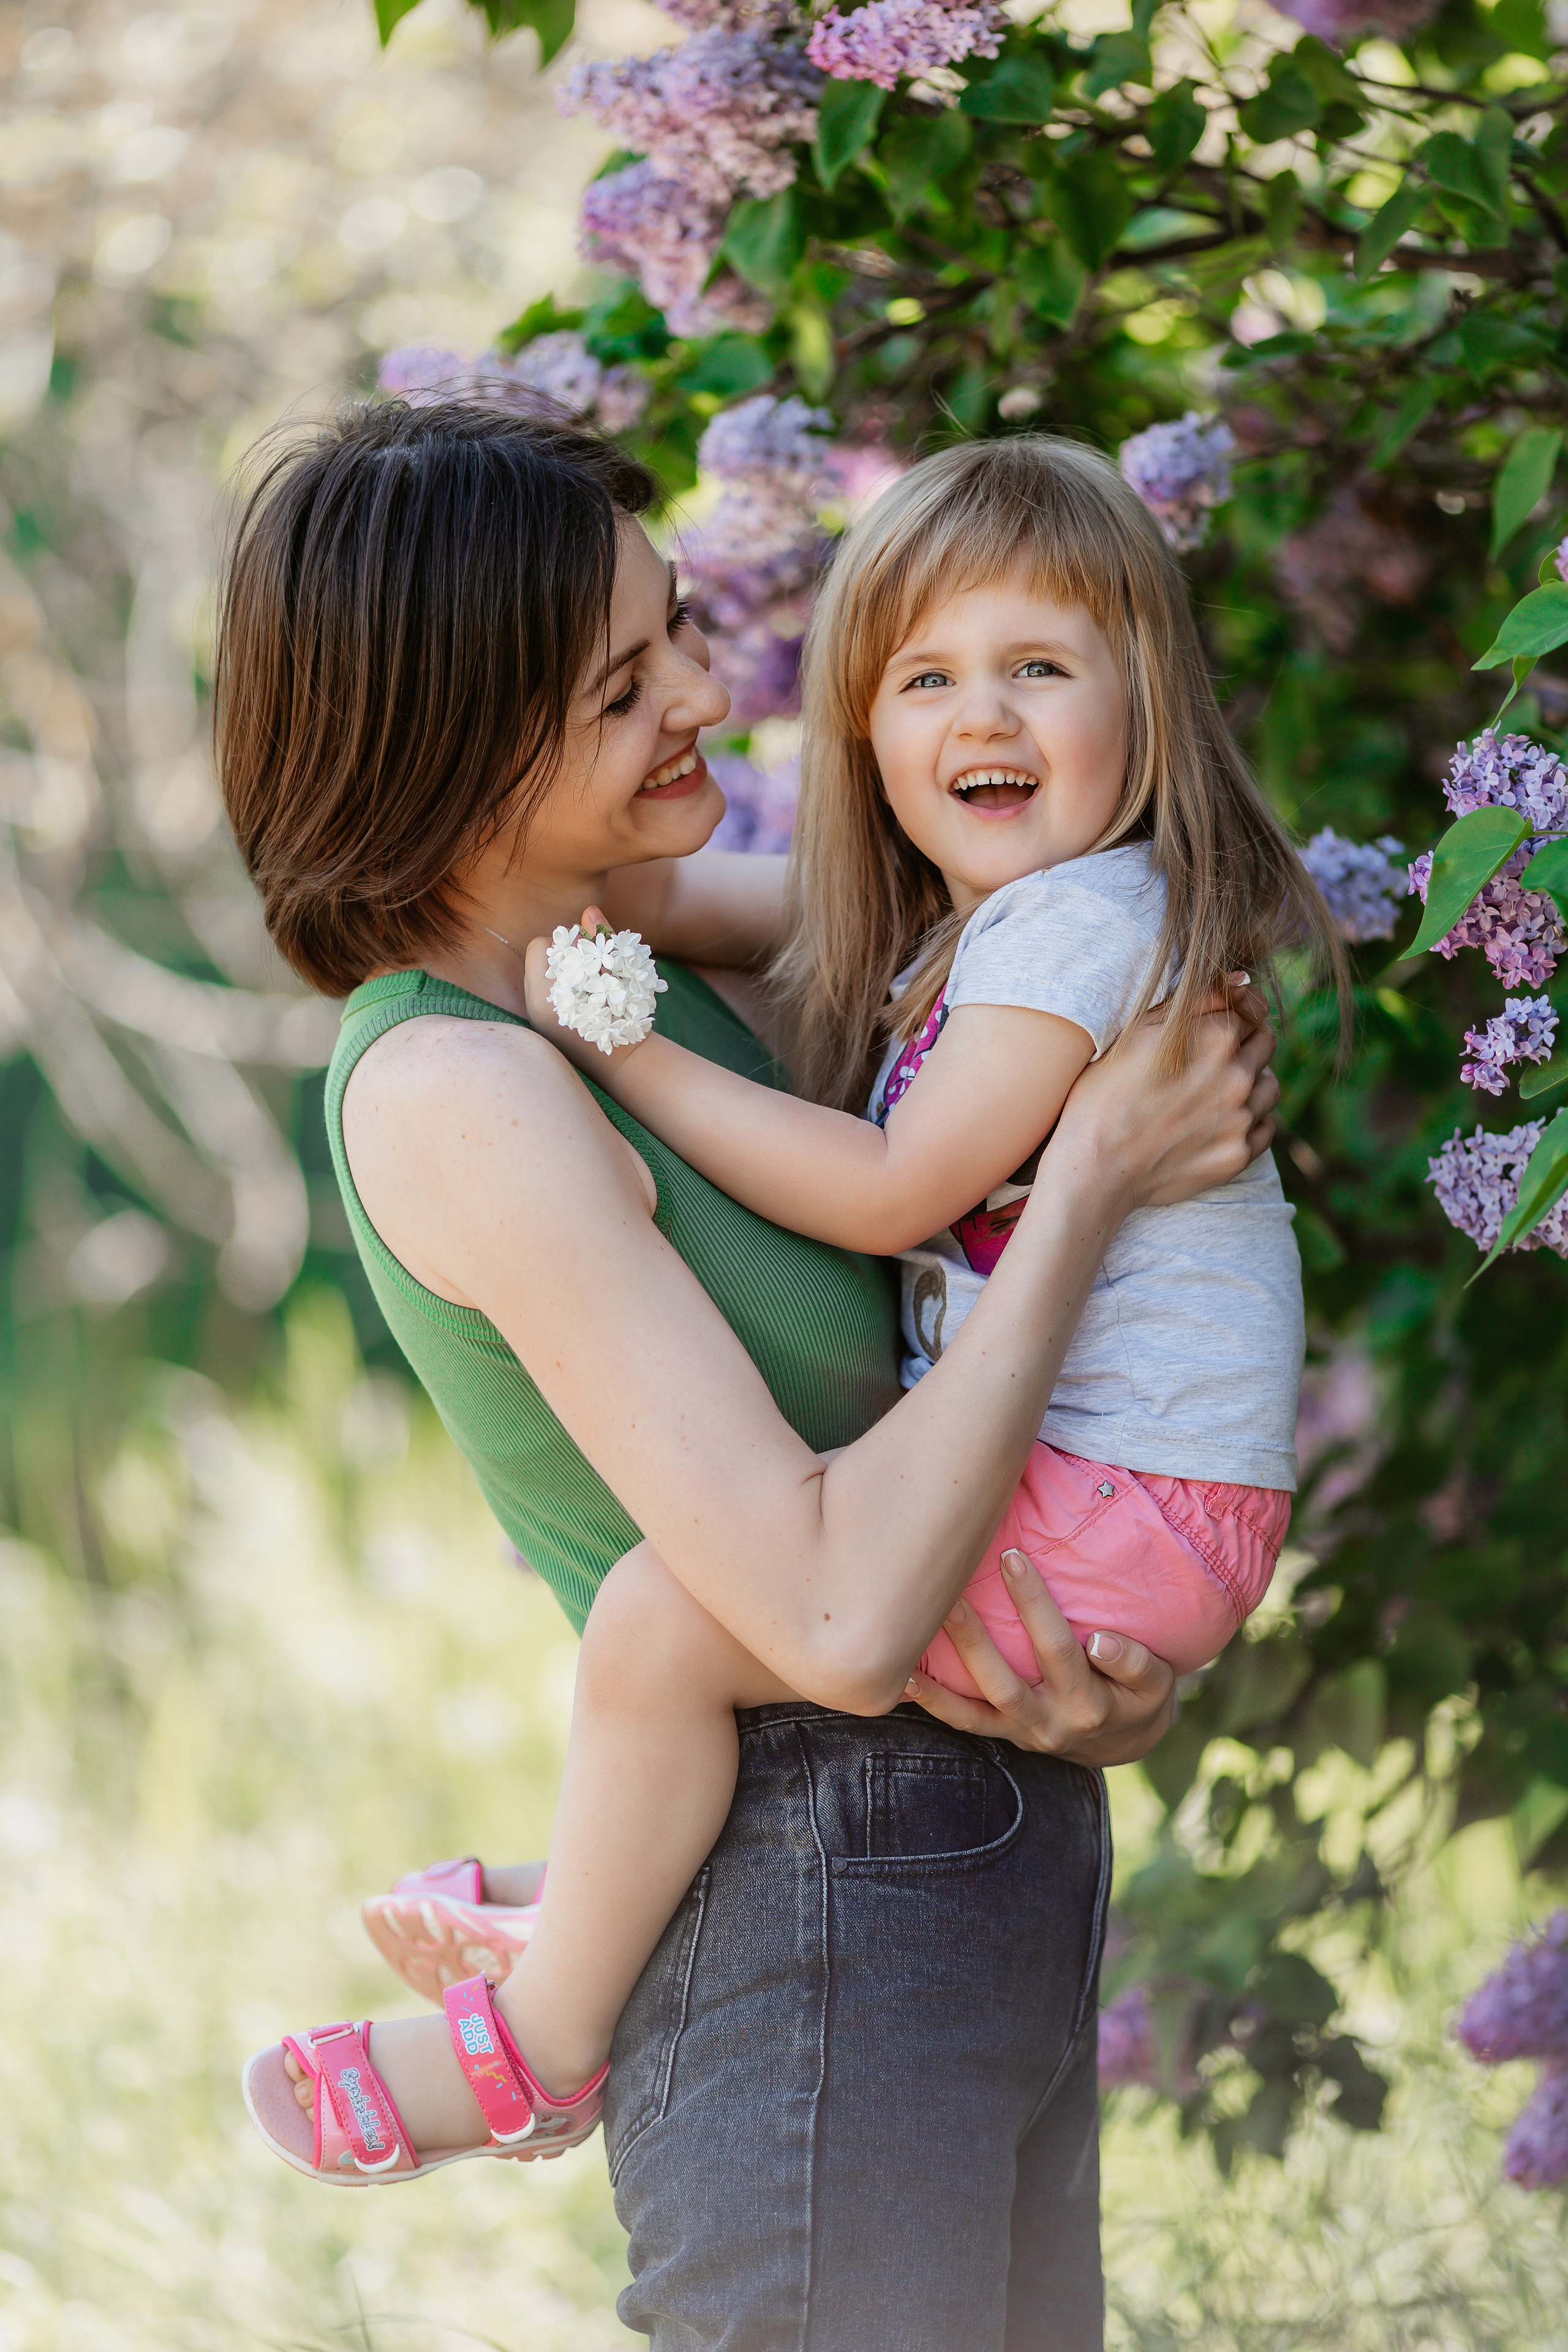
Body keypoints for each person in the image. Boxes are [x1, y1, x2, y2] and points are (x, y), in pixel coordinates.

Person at [219, 396, 1280, 2351]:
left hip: (977, 1861)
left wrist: (1086, 1699)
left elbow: (985, 973)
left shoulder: (650, 969)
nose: (712, 689)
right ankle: (536, 2020)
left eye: (684, 626)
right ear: (466, 743)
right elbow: (830, 1609)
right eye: (631, 683)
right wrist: (1098, 1185)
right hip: (806, 1900)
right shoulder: (466, 1087)